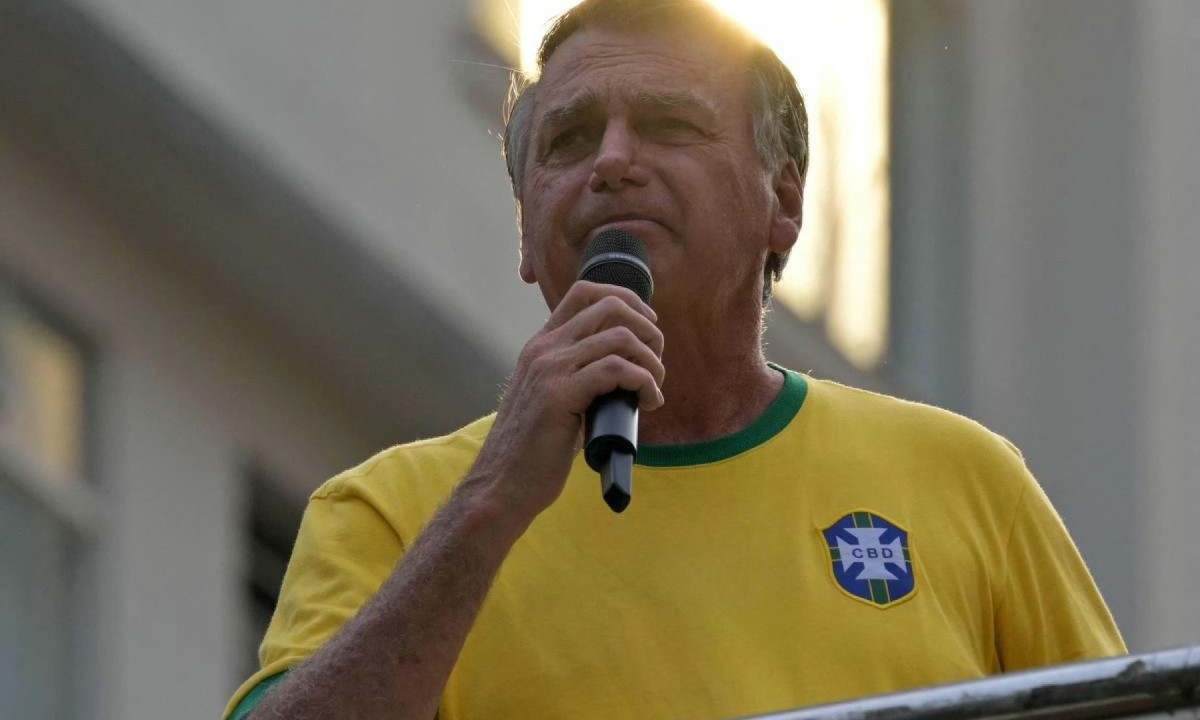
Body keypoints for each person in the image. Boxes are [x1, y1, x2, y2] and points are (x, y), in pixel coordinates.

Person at [224, 1, 1125, 718]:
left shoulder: (965, 481)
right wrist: (495, 499)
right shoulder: (388, 515)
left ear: (783, 202)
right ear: (528, 236)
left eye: (667, 126)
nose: (612, 162)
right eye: (570, 140)